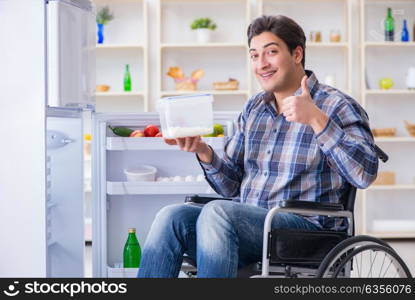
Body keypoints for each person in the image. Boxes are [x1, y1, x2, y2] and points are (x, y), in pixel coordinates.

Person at [137, 15, 378, 278]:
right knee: (171, 217)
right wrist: (203, 151)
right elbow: (231, 186)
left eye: (271, 52)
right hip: (244, 227)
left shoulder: (336, 106)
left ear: (297, 54)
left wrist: (316, 119)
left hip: (305, 232)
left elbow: (364, 174)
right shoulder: (254, 108)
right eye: (254, 56)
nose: (261, 64)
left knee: (218, 212)